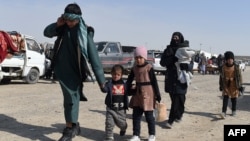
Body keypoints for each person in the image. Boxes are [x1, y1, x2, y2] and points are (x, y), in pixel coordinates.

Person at [43, 3, 106, 141]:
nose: (70, 23)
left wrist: (102, 81)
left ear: (78, 19)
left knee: (71, 99)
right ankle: (73, 125)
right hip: (61, 70)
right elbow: (46, 33)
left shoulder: (84, 32)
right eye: (67, 20)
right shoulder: (62, 28)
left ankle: (70, 128)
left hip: (75, 71)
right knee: (70, 99)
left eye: (72, 20)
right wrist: (57, 24)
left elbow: (93, 56)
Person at [126, 46, 161, 141]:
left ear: (144, 57)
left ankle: (152, 135)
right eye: (136, 57)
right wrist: (127, 89)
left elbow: (154, 82)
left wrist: (157, 94)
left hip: (148, 94)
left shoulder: (149, 68)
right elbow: (129, 80)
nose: (138, 59)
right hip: (137, 94)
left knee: (149, 116)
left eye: (140, 57)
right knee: (136, 116)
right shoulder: (134, 69)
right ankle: (136, 135)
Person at [160, 32, 193, 129]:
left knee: (180, 99)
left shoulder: (185, 49)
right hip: (171, 77)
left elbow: (191, 63)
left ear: (181, 38)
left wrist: (186, 66)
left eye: (177, 37)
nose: (175, 39)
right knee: (175, 99)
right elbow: (163, 62)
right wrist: (172, 59)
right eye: (173, 37)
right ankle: (176, 116)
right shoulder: (168, 50)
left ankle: (171, 119)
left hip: (181, 78)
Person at [101, 64, 129, 141]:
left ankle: (124, 128)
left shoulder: (125, 84)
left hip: (121, 109)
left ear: (121, 75)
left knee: (122, 124)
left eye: (118, 75)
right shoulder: (109, 83)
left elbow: (129, 92)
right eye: (114, 74)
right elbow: (105, 90)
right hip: (111, 108)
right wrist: (102, 86)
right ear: (111, 74)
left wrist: (134, 88)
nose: (116, 76)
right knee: (109, 123)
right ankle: (109, 137)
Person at [219, 51, 243, 119]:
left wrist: (240, 85)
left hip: (234, 84)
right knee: (225, 98)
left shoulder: (236, 67)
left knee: (234, 98)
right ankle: (223, 112)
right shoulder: (223, 67)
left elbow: (239, 76)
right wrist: (220, 85)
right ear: (226, 60)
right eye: (228, 59)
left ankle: (234, 110)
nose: (230, 60)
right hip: (226, 84)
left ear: (233, 59)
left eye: (231, 59)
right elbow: (221, 77)